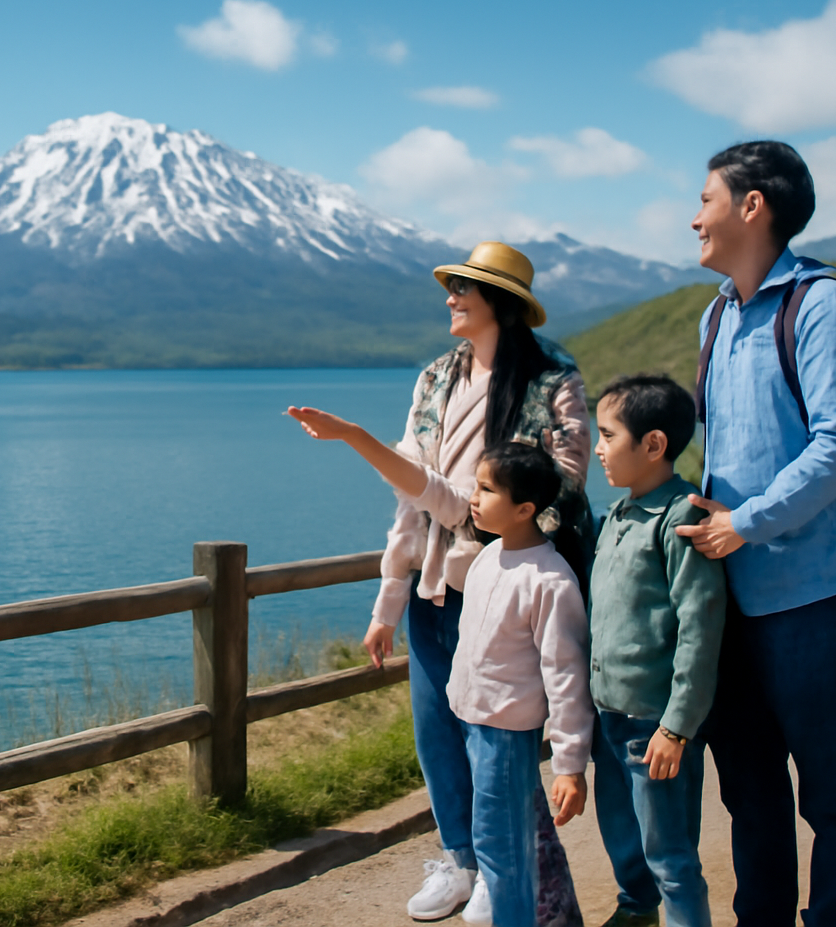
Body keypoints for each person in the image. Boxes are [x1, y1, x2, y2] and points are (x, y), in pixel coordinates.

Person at [287, 241, 592, 924]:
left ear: (500, 304)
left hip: (505, 589)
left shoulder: (553, 381)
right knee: (438, 737)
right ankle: (461, 862)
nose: (449, 299)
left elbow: (562, 492)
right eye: (451, 287)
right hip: (432, 591)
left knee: (497, 744)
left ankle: (501, 871)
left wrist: (362, 442)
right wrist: (388, 600)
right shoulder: (436, 378)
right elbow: (413, 500)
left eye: (463, 289)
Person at [678, 141, 836, 927]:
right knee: (751, 792)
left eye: (706, 199)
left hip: (812, 594)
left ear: (752, 206)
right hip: (731, 593)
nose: (695, 217)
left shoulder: (828, 305)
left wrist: (747, 523)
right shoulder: (718, 312)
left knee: (829, 791)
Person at [588, 374, 726, 927]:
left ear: (653, 445)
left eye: (607, 434)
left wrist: (676, 727)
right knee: (624, 838)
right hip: (609, 715)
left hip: (654, 724)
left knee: (670, 856)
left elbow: (700, 626)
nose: (597, 448)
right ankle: (637, 911)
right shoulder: (620, 514)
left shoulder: (680, 516)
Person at [448, 441, 592, 927]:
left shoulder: (549, 580)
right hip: (472, 723)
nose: (474, 496)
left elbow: (566, 675)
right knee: (503, 841)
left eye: (487, 489)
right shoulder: (488, 558)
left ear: (525, 509)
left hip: (507, 735)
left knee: (503, 849)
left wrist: (570, 764)